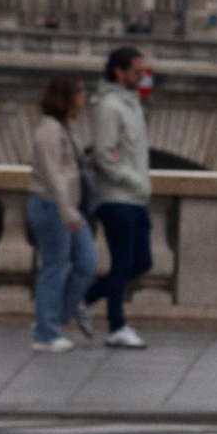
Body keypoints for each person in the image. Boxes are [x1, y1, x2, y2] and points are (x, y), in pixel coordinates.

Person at [85, 45, 154, 349]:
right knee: (124, 262)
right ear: (119, 72)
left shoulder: (131, 104)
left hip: (135, 198)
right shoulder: (110, 107)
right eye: (137, 71)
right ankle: (117, 325)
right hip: (117, 198)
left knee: (142, 262)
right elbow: (104, 154)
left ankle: (84, 299)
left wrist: (138, 185)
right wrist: (133, 179)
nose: (142, 76)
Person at [26, 72, 97, 352]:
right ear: (66, 97)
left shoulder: (67, 126)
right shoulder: (48, 131)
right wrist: (69, 213)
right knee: (54, 267)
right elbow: (54, 176)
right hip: (52, 206)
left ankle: (52, 319)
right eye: (80, 91)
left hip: (66, 206)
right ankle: (45, 333)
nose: (85, 97)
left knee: (87, 262)